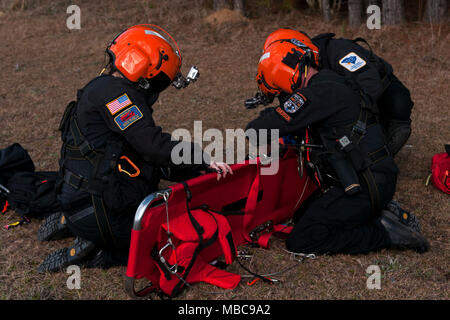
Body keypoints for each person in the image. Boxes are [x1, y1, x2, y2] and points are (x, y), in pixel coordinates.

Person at [37, 24, 232, 272]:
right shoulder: (117, 96)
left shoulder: (103, 86)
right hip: (97, 211)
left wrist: (193, 165)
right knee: (162, 239)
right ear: (144, 68)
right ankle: (95, 249)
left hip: (79, 197)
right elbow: (152, 146)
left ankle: (73, 222)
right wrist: (201, 158)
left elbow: (139, 149)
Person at [245, 35, 429, 255]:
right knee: (303, 215)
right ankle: (378, 214)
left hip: (365, 184)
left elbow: (257, 129)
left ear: (283, 76)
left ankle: (384, 233)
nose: (284, 96)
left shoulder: (317, 94)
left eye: (280, 90)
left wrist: (275, 117)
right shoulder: (333, 80)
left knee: (302, 240)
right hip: (373, 177)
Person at [262, 29, 413, 156]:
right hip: (342, 101)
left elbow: (370, 84)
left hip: (380, 93)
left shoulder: (339, 51)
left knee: (399, 104)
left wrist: (341, 113)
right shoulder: (295, 70)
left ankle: (382, 149)